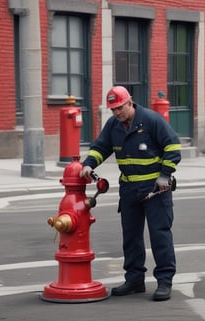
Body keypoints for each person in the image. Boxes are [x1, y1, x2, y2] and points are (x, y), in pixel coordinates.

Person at [80, 86, 181, 301]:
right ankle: (135, 280)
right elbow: (101, 147)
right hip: (129, 191)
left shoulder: (152, 120)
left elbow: (173, 147)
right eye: (113, 109)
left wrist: (165, 175)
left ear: (130, 102)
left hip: (155, 191)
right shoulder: (113, 125)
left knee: (160, 236)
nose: (117, 113)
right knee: (131, 238)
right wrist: (89, 165)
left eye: (119, 107)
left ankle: (164, 281)